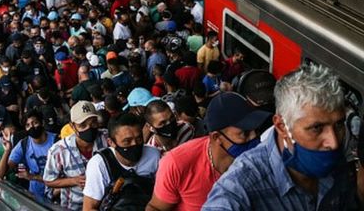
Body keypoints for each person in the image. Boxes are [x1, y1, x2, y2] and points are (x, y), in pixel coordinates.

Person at [203, 64, 361, 210]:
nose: (333, 143)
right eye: (316, 128)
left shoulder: (337, 164)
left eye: (339, 125)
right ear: (282, 127)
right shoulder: (240, 187)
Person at [146, 92, 270, 211]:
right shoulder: (176, 164)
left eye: (256, 131)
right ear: (217, 137)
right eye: (245, 133)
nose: (254, 137)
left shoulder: (262, 160)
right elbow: (156, 208)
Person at [83, 113, 162, 211]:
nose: (134, 144)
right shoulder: (99, 164)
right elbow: (89, 208)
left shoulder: (154, 155)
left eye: (138, 139)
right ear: (111, 142)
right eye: (127, 141)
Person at [43, 101, 109, 210]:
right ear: (72, 126)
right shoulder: (58, 151)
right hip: (74, 206)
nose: (89, 128)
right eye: (82, 125)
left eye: (93, 123)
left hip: (104, 205)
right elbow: (48, 181)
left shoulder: (107, 139)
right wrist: (74, 181)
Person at [0, 110, 56, 200]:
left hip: (56, 195)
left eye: (35, 123)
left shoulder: (57, 142)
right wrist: (7, 150)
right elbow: (0, 174)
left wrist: (32, 177)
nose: (32, 127)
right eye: (28, 125)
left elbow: (61, 178)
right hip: (36, 196)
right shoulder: (24, 144)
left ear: (42, 123)